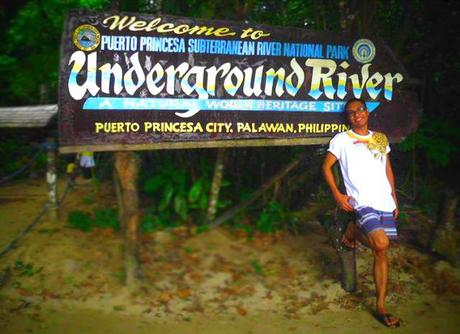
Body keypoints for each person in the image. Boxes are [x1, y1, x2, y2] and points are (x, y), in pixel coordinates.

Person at [322, 98, 400, 328]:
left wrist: (394, 198)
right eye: (351, 112)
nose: (356, 114)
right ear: (348, 117)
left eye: (360, 110)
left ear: (367, 112)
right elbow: (326, 166)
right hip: (362, 201)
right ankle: (354, 230)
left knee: (381, 251)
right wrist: (338, 195)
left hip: (384, 200)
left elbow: (387, 168)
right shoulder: (342, 140)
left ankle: (381, 306)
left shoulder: (379, 138)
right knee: (382, 243)